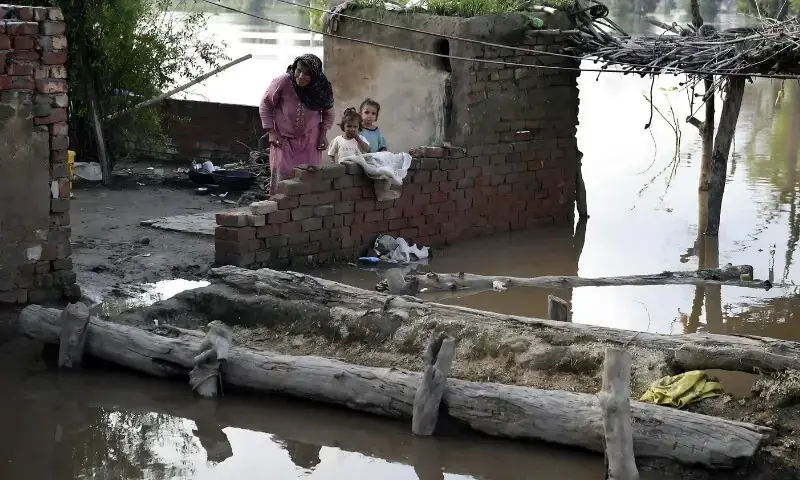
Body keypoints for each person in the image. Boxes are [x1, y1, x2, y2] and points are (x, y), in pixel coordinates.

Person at [259, 53, 335, 194]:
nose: (300, 76)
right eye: (298, 71)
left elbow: (329, 113)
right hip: (283, 140)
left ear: (315, 76)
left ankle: (305, 211)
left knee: (308, 178)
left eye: (307, 74)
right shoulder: (283, 82)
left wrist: (323, 134)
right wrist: (271, 131)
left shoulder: (321, 89)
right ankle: (280, 210)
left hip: (310, 142)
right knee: (282, 183)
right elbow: (266, 105)